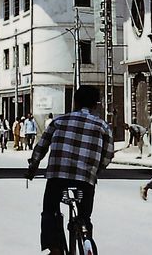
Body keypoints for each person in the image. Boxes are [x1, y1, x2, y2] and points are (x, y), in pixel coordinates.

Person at [25, 86, 113, 255]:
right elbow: (108, 155)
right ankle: (86, 237)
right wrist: (96, 170)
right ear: (96, 105)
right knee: (85, 216)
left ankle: (55, 248)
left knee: (50, 210)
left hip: (58, 176)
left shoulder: (59, 121)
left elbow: (41, 147)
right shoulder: (103, 126)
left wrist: (32, 168)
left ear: (75, 102)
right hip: (85, 178)